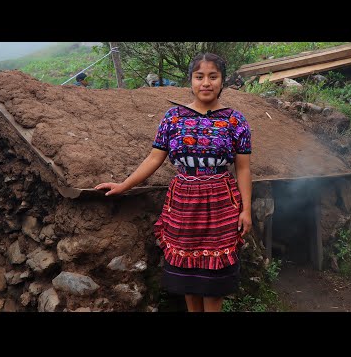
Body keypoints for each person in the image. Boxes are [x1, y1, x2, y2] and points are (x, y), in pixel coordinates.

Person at [95, 53, 252, 312]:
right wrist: (123, 185)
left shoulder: (235, 121)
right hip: (184, 203)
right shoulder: (173, 118)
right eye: (199, 76)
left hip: (222, 203)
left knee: (214, 286)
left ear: (222, 81)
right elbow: (154, 158)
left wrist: (246, 210)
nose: (206, 83)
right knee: (189, 280)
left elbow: (244, 169)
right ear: (190, 80)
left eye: (213, 77)